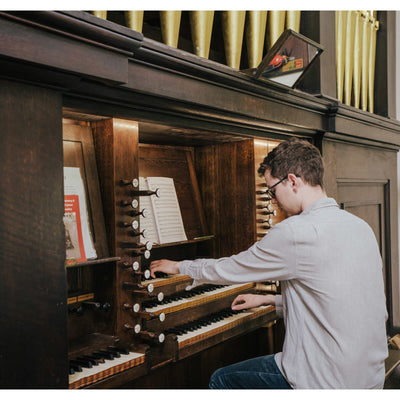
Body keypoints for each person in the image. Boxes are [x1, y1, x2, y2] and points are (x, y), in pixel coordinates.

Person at [149, 138, 388, 389]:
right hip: (369, 379)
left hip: (326, 381)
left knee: (221, 379)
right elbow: (336, 300)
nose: (272, 201)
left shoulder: (295, 232)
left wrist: (180, 267)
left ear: (293, 181)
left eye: (272, 191)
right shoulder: (360, 227)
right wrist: (268, 300)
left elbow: (231, 268)